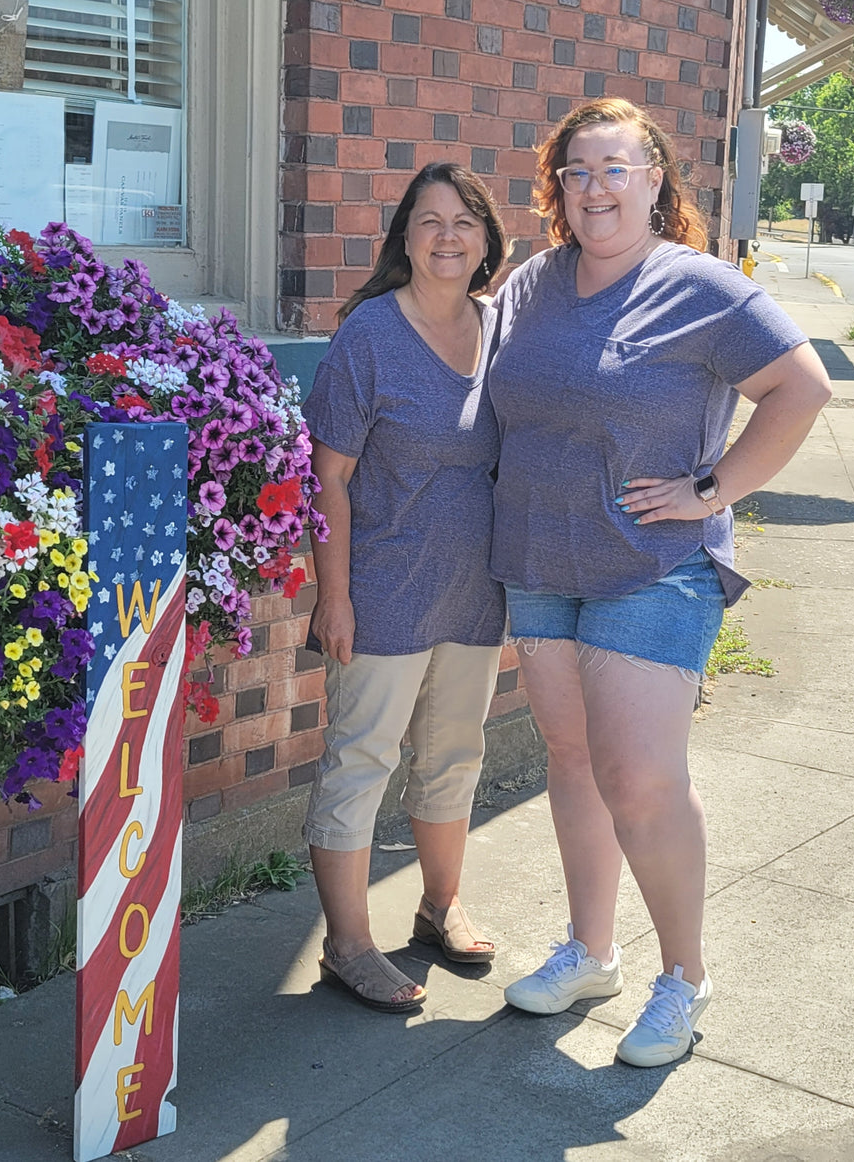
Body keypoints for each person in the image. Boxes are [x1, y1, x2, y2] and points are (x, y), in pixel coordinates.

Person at [488, 98, 832, 1065]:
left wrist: (712, 486)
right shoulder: (535, 284)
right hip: (541, 563)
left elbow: (801, 388)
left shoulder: (702, 288)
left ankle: (684, 978)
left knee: (640, 778)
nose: (594, 187)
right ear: (558, 186)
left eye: (615, 167)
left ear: (654, 180)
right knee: (572, 760)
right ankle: (590, 951)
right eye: (576, 170)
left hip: (653, 566)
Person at [301, 163, 508, 1013]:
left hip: (475, 591)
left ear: (488, 238)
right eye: (429, 221)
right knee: (361, 761)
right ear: (405, 238)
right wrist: (334, 595)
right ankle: (347, 945)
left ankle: (438, 906)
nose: (448, 236)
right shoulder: (371, 336)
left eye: (464, 221)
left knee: (455, 757)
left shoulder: (504, 329)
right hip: (382, 589)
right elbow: (329, 477)